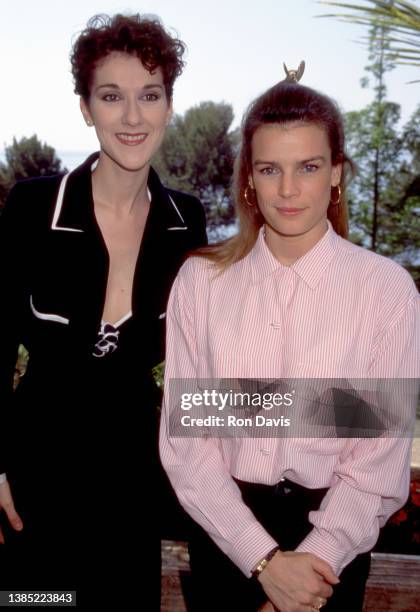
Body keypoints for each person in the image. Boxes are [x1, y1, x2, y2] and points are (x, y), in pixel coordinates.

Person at [160, 74, 419, 612]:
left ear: (337, 174)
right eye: (269, 168)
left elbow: (377, 464)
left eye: (309, 166)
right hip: (226, 542)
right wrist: (263, 561)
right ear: (249, 180)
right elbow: (189, 447)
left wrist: (312, 568)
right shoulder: (201, 283)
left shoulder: (385, 291)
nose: (288, 189)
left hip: (332, 558)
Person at [0, 13, 206, 609]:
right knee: (34, 603)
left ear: (170, 105)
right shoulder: (34, 206)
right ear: (87, 108)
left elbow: (199, 356)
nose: (133, 117)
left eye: (150, 96)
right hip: (35, 476)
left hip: (133, 479)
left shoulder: (185, 220)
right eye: (112, 97)